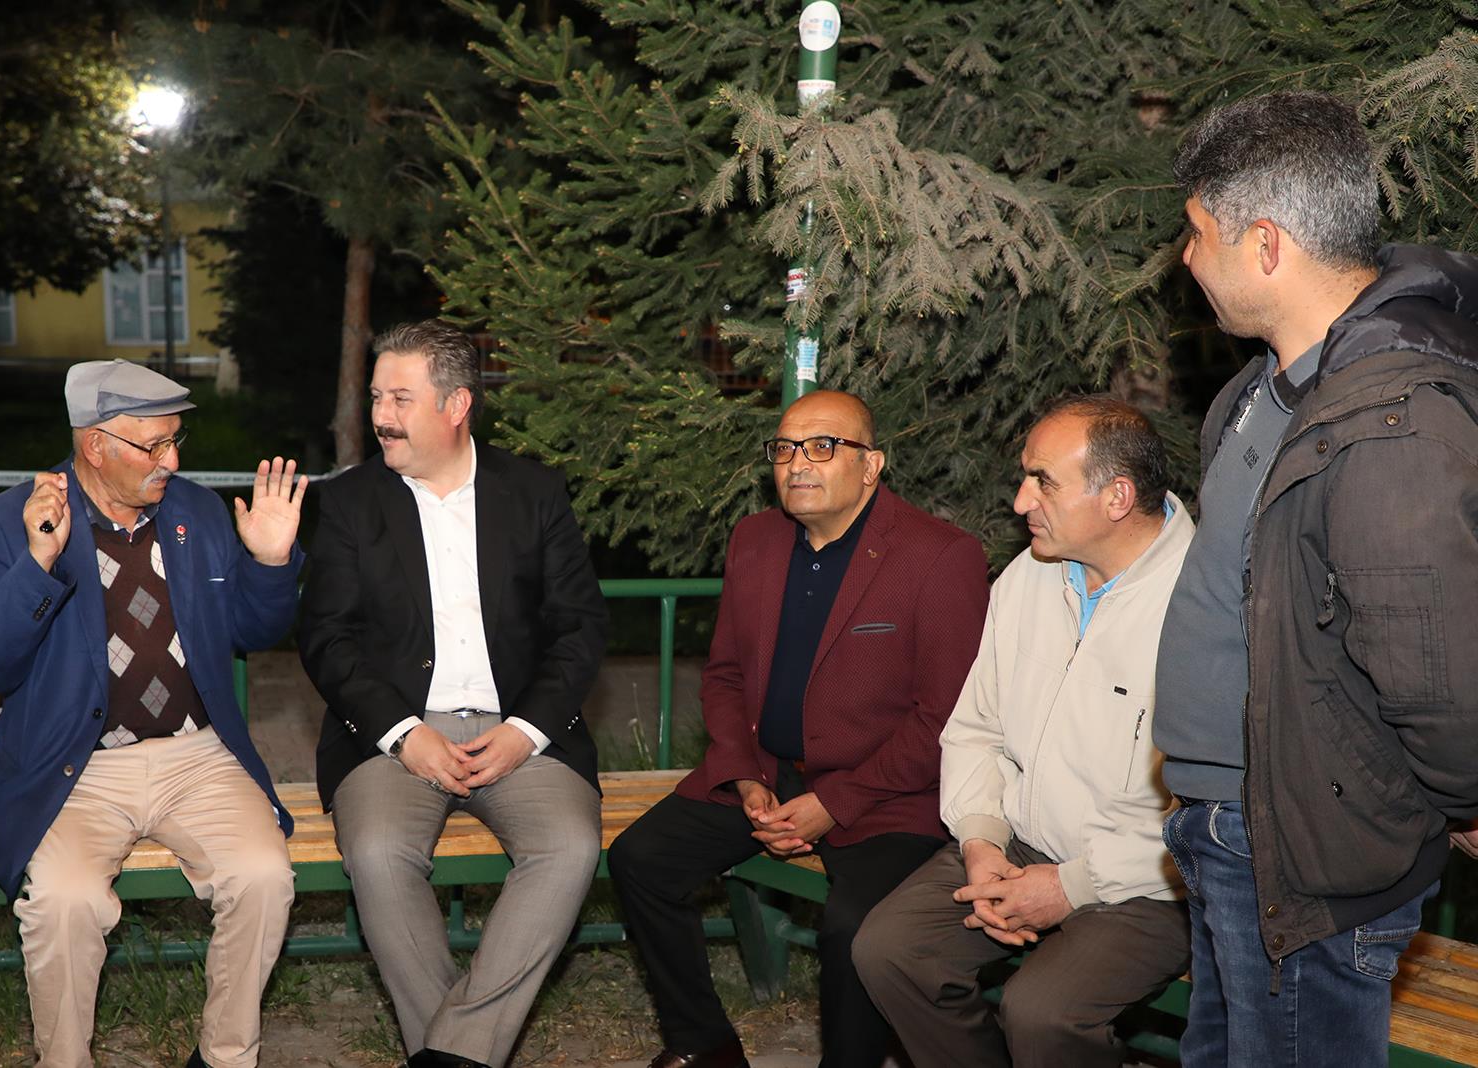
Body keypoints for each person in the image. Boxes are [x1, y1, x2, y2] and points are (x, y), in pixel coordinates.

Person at [1156, 90, 1478, 1065]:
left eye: (1196, 232)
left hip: (1305, 848)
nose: (1183, 257)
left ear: (1264, 244)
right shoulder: (1263, 391)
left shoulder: (1391, 419)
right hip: (1230, 828)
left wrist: (1465, 794)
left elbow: (1432, 659)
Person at [606, 390, 989, 1068]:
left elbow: (944, 717)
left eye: (821, 447)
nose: (797, 463)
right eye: (784, 449)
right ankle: (703, 1044)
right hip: (767, 772)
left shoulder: (938, 555)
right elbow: (725, 674)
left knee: (853, 930)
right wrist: (743, 775)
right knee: (641, 859)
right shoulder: (756, 539)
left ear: (871, 465)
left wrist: (833, 803)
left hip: (888, 795)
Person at [0, 360, 307, 1068]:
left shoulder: (196, 512)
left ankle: (226, 1056)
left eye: (176, 441)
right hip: (72, 766)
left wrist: (271, 563)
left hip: (196, 756)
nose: (172, 461)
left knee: (265, 877)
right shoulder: (8, 522)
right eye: (154, 446)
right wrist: (38, 563)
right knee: (64, 902)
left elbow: (252, 630)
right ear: (95, 445)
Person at [297, 320, 608, 1068]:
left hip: (518, 728)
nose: (381, 415)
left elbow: (580, 628)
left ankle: (451, 1054)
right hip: (392, 732)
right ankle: (461, 1051)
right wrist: (403, 733)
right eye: (377, 397)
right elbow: (327, 639)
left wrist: (527, 730)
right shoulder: (349, 503)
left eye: (400, 399)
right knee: (377, 851)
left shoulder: (532, 492)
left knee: (569, 846)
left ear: (457, 404)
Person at [853, 396, 1193, 1068]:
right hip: (1020, 841)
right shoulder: (1029, 577)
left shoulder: (1204, 603)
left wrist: (1071, 886)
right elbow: (975, 727)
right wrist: (981, 840)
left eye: (1043, 481)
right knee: (890, 950)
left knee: (1042, 1013)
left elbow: (1215, 810)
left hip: (1154, 883)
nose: (1019, 502)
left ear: (1117, 497)